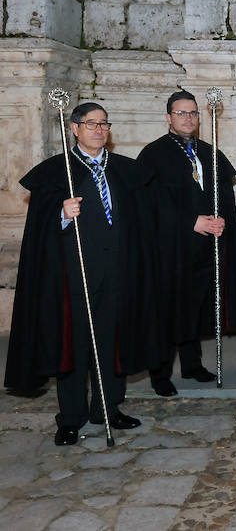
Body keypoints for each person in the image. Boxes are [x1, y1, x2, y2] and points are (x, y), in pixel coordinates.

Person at [5, 103, 159, 445]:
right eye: (91, 124)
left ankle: (108, 409)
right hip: (72, 276)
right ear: (74, 128)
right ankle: (70, 417)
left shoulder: (124, 171)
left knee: (112, 342)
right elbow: (39, 231)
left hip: (118, 273)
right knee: (73, 345)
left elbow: (141, 225)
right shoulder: (56, 173)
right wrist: (61, 213)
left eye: (104, 123)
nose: (99, 129)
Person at [137, 90, 236, 396]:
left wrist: (223, 219)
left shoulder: (208, 151)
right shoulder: (153, 154)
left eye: (193, 113)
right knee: (169, 309)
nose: (188, 118)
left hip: (205, 246)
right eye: (181, 113)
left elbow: (224, 193)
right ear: (168, 117)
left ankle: (192, 365)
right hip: (171, 248)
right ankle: (160, 373)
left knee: (196, 307)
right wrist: (191, 221)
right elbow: (151, 204)